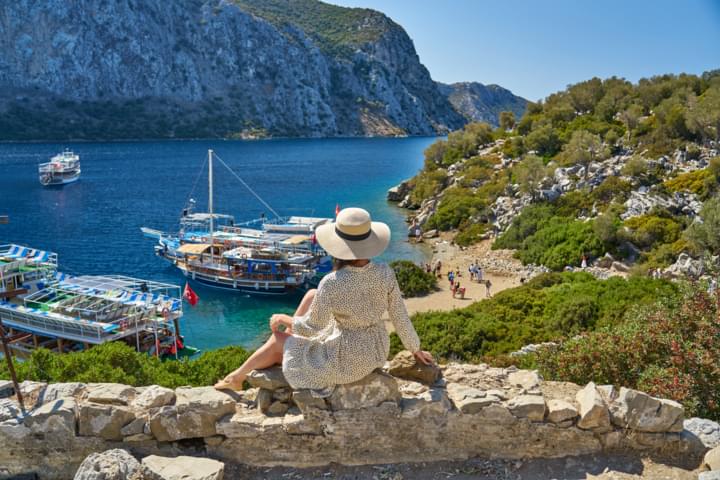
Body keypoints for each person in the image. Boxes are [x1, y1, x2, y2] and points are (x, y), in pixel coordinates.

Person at [214, 208, 434, 392]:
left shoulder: (333, 281)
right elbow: (399, 315)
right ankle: (287, 343)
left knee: (277, 340)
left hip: (347, 360)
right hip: (375, 349)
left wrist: (284, 317)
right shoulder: (385, 272)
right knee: (311, 295)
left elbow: (312, 328)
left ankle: (237, 378)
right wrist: (415, 349)